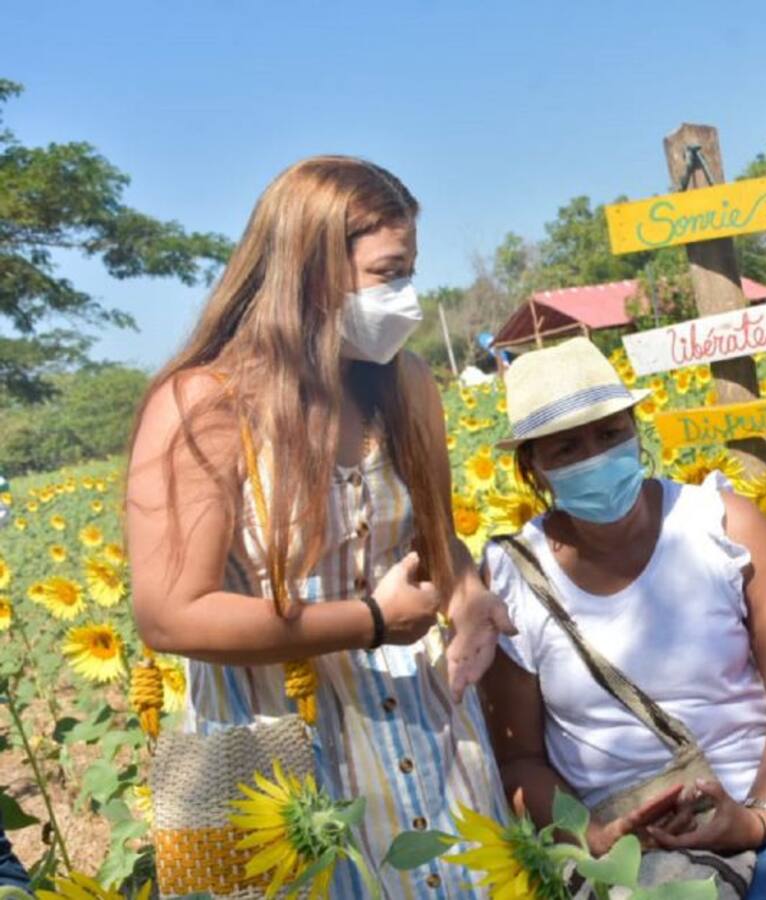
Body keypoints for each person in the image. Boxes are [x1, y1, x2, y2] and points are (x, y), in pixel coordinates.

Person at [125, 156, 513, 898]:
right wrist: (367, 620)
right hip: (274, 762)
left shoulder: (405, 385)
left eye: (409, 272)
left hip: (425, 738)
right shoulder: (206, 407)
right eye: (388, 273)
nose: (406, 297)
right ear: (308, 271)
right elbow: (170, 614)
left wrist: (466, 595)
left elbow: (431, 535)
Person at [478, 337, 766, 900]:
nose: (594, 458)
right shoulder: (511, 576)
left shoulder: (722, 526)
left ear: (635, 428)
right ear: (532, 466)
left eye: (609, 434)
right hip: (617, 838)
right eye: (567, 448)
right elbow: (519, 757)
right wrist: (597, 839)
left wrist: (757, 817)